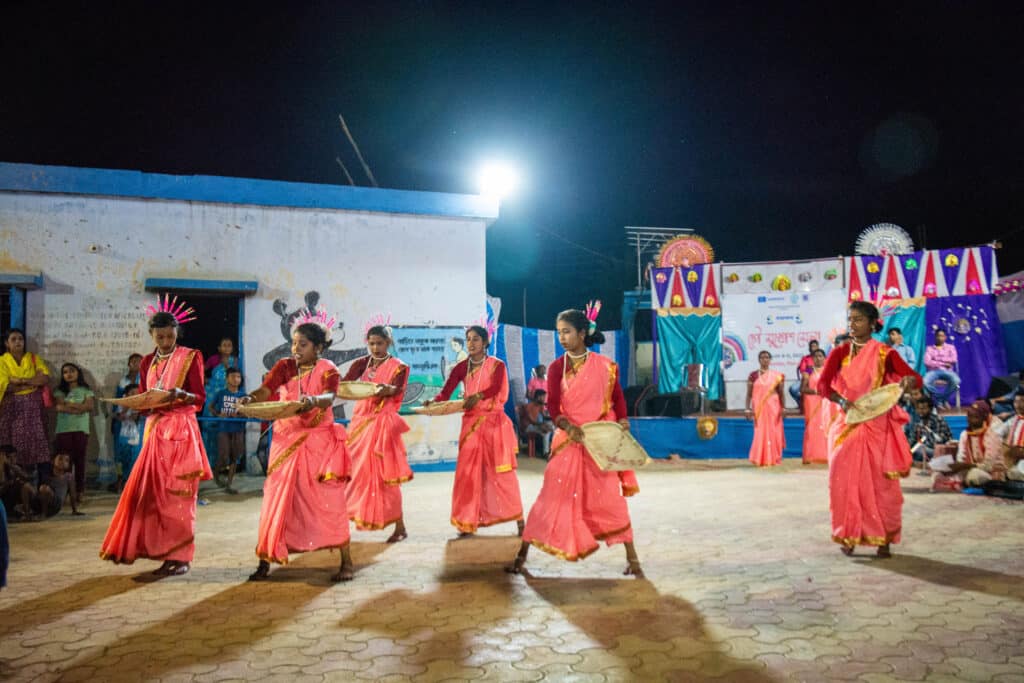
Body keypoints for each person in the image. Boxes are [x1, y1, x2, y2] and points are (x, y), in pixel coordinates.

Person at [508, 307, 643, 577]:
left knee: (608, 500)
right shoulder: (557, 368)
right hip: (567, 441)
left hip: (597, 443)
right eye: (559, 333)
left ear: (582, 333)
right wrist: (567, 425)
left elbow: (617, 399)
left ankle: (633, 559)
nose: (562, 337)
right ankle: (521, 556)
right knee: (550, 497)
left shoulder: (606, 367)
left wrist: (624, 420)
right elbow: (555, 405)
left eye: (567, 332)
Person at [99, 305, 212, 577]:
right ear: (152, 335)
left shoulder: (190, 357)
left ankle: (181, 557)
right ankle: (162, 553)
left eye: (170, 337)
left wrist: (179, 395)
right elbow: (143, 397)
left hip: (181, 431)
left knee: (179, 496)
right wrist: (139, 404)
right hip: (154, 431)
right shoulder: (148, 362)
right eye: (160, 337)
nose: (165, 342)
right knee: (152, 496)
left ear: (177, 334)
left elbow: (199, 398)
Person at [241, 319, 353, 582]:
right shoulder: (284, 367)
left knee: (328, 502)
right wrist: (250, 398)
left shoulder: (329, 370)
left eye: (302, 344)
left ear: (318, 348)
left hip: (318, 445)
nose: (295, 349)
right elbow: (267, 389)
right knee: (276, 500)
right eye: (293, 343)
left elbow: (329, 396)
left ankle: (346, 561)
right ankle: (265, 561)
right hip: (285, 442)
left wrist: (314, 401)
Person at [817, 301, 920, 558]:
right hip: (847, 425)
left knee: (881, 485)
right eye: (850, 319)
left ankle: (883, 537)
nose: (852, 324)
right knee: (842, 482)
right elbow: (822, 386)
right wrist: (841, 401)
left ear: (872, 323)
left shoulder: (886, 353)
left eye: (858, 319)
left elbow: (913, 377)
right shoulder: (840, 353)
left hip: (877, 426)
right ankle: (848, 534)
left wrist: (909, 381)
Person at [426, 325, 524, 538]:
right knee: (467, 474)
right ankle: (466, 522)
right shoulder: (461, 367)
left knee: (500, 473)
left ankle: (519, 519)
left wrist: (478, 397)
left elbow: (496, 388)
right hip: (471, 426)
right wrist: (433, 402)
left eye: (476, 339)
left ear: (485, 342)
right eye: (468, 339)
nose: (471, 343)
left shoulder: (497, 365)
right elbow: (446, 392)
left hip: (493, 425)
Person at [343, 324, 413, 543]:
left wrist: (385, 390)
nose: (375, 347)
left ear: (388, 343)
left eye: (379, 343)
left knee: (385, 477)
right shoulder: (360, 364)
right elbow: (346, 384)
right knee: (352, 476)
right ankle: (345, 521)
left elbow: (397, 390)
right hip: (359, 426)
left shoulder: (398, 367)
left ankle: (400, 527)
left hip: (382, 427)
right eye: (371, 343)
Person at [0, 329, 52, 480]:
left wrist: (20, 381)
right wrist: (31, 383)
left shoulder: (34, 358)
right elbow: (5, 386)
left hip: (34, 411)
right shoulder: (2, 361)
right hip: (11, 411)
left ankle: (41, 487)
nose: (18, 342)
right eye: (14, 339)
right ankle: (14, 487)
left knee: (39, 445)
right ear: (6, 343)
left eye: (20, 339)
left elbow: (44, 379)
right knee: (11, 447)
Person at [53, 362, 95, 504]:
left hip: (81, 430)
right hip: (63, 430)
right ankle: (65, 492)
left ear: (78, 373)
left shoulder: (86, 390)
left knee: (80, 462)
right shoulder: (59, 391)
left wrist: (69, 405)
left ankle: (79, 491)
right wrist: (79, 407)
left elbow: (89, 406)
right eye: (65, 372)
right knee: (65, 463)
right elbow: (59, 407)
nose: (68, 374)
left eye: (72, 371)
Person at [202, 337, 239, 466]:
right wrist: (206, 380)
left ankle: (226, 463)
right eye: (224, 345)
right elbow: (201, 370)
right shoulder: (213, 360)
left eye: (229, 346)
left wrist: (228, 366)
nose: (227, 348)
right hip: (213, 396)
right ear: (219, 348)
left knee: (226, 429)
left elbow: (236, 376)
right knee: (210, 427)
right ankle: (210, 463)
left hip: (226, 397)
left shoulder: (235, 361)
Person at [209, 367, 246, 494]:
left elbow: (248, 411)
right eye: (233, 377)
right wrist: (218, 414)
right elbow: (211, 407)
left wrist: (240, 415)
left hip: (238, 429)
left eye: (238, 377)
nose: (236, 379)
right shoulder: (221, 393)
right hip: (224, 429)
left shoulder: (243, 396)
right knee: (223, 456)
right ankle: (216, 475)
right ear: (227, 379)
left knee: (235, 457)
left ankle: (229, 484)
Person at [746, 351, 786, 467]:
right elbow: (749, 394)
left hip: (774, 407)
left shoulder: (777, 375)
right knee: (760, 431)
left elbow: (781, 393)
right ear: (759, 360)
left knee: (774, 431)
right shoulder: (753, 375)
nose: (765, 360)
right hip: (759, 408)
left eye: (767, 357)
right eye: (762, 358)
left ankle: (774, 457)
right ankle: (760, 458)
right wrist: (747, 409)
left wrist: (784, 408)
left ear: (770, 360)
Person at [111, 384, 144, 492]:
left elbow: (136, 418)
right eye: (132, 393)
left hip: (137, 438)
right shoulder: (122, 405)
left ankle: (132, 484)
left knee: (134, 460)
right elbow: (119, 416)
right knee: (121, 459)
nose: (135, 396)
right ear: (126, 395)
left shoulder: (142, 406)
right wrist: (127, 407)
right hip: (123, 436)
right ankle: (122, 481)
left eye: (137, 393)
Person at [31, 451, 82, 519]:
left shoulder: (68, 477)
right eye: (60, 459)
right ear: (52, 461)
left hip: (55, 505)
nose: (63, 462)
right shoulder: (47, 475)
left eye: (66, 460)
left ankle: (44, 514)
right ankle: (27, 513)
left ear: (69, 465)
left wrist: (74, 510)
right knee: (27, 487)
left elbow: (72, 494)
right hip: (42, 503)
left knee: (44, 488)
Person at [800, 349, 828, 464]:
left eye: (820, 356)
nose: (818, 358)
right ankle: (810, 455)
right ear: (812, 359)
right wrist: (817, 392)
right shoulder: (808, 372)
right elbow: (802, 389)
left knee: (825, 427)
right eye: (815, 356)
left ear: (824, 358)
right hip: (812, 403)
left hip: (825, 404)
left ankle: (825, 455)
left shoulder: (828, 371)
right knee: (812, 428)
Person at [906, 396, 954, 465]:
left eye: (923, 409)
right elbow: (912, 439)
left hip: (940, 451)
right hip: (924, 451)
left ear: (930, 409)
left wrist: (922, 446)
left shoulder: (938, 420)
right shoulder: (918, 423)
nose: (920, 411)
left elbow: (939, 442)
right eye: (919, 409)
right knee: (909, 451)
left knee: (919, 450)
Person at [923, 329, 960, 408]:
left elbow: (954, 359)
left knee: (956, 381)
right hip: (933, 372)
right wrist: (943, 363)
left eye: (942, 336)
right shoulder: (929, 348)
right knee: (924, 382)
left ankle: (940, 400)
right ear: (935, 337)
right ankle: (941, 398)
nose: (940, 338)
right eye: (938, 336)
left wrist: (936, 360)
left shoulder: (951, 347)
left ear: (945, 337)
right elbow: (927, 362)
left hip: (947, 371)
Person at [0, 445, 35, 521]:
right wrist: (2, 464)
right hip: (2, 500)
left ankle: (27, 513)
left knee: (24, 485)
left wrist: (10, 466)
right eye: (9, 457)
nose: (13, 460)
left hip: (12, 500)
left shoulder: (15, 467)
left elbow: (27, 478)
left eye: (15, 456)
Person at [518, 389, 554, 457]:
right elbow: (531, 421)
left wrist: (554, 417)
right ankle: (545, 453)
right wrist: (542, 425)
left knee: (551, 429)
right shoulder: (529, 406)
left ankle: (546, 451)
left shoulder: (540, 406)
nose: (544, 399)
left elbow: (544, 416)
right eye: (543, 397)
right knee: (546, 431)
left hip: (534, 425)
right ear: (538, 397)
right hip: (527, 427)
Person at [788, 340, 819, 409]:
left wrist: (812, 369)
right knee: (793, 389)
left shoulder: (822, 357)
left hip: (819, 379)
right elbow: (803, 370)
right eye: (812, 346)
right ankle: (801, 403)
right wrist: (811, 371)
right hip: (807, 379)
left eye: (815, 346)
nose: (813, 348)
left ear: (818, 347)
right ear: (809, 348)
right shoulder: (805, 358)